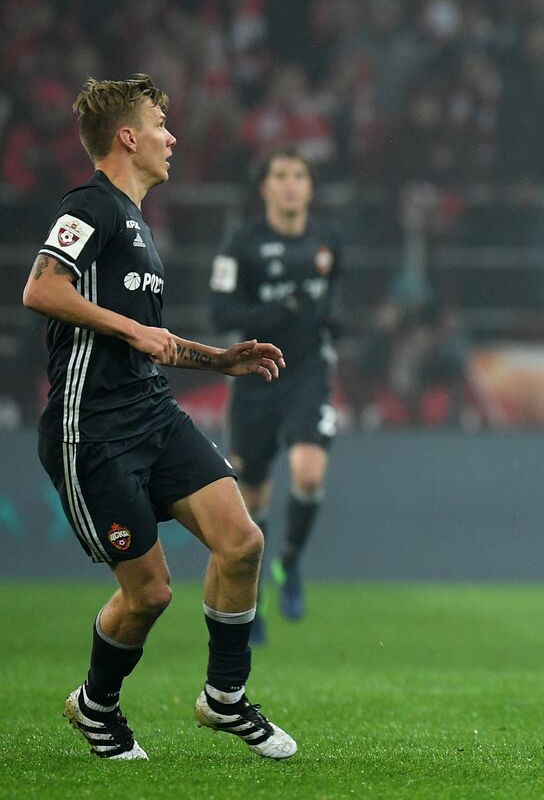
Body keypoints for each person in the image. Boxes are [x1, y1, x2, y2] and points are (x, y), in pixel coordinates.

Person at [22, 74, 297, 760]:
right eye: (159, 124)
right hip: (92, 430)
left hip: (151, 411)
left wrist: (220, 362)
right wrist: (127, 327)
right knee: (148, 594)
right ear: (127, 137)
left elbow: (151, 342)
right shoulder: (89, 204)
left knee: (242, 541)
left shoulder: (138, 222)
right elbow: (40, 287)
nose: (171, 137)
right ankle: (97, 706)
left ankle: (225, 700)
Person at [210, 147, 341, 638]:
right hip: (257, 376)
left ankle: (290, 562)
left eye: (299, 176)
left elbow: (333, 302)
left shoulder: (330, 241)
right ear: (264, 187)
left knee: (308, 473)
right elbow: (221, 315)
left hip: (309, 371)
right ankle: (257, 587)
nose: (290, 185)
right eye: (280, 175)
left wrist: (332, 321)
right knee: (255, 491)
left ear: (310, 187)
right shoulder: (240, 244)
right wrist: (278, 313)